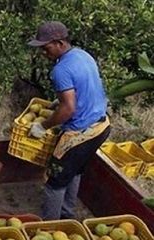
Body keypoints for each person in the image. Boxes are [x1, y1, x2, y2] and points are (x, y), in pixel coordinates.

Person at [27, 21, 111, 221]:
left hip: (79, 135)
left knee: (54, 181)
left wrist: (42, 126)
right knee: (73, 172)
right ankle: (67, 216)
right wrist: (63, 99)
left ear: (59, 43)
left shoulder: (61, 70)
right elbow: (87, 86)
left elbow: (68, 109)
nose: (43, 53)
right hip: (101, 127)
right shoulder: (83, 55)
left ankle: (50, 228)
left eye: (46, 48)